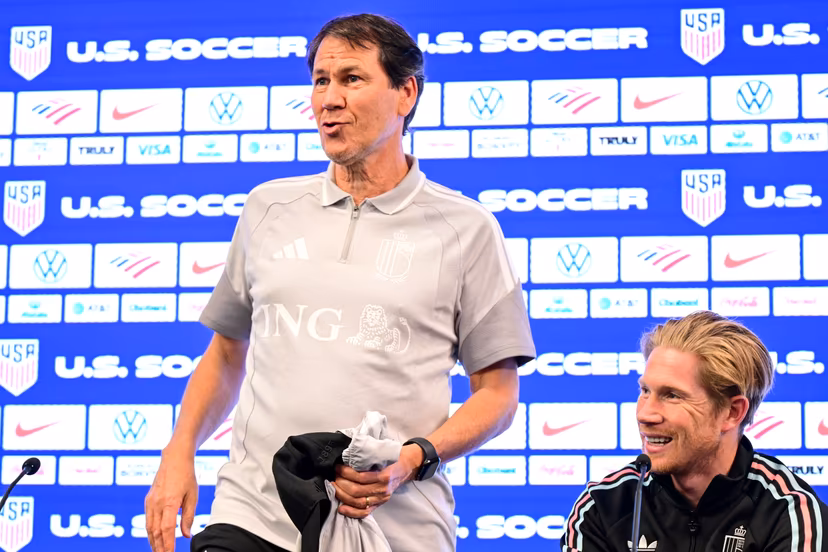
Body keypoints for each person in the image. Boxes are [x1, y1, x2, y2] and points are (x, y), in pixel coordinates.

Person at [144, 13, 535, 552]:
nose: (329, 98)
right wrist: (179, 450)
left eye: (351, 78)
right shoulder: (267, 207)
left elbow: (498, 395)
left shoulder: (467, 230)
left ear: (405, 94)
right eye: (320, 81)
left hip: (396, 528)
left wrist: (412, 458)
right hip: (254, 514)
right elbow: (227, 353)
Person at [561, 310, 827, 551]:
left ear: (732, 413)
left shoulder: (789, 513)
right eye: (645, 391)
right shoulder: (603, 505)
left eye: (673, 396)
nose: (645, 414)